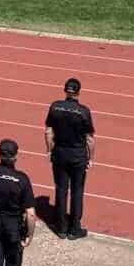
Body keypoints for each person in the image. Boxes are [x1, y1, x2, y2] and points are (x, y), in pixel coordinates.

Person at [45, 77, 95, 239]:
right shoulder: (83, 111)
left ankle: (61, 227)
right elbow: (89, 139)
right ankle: (74, 229)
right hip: (78, 155)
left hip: (59, 153)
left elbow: (48, 132)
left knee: (61, 189)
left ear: (65, 90)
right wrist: (91, 157)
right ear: (79, 92)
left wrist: (49, 150)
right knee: (77, 191)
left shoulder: (55, 107)